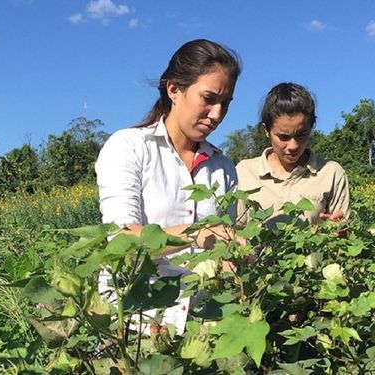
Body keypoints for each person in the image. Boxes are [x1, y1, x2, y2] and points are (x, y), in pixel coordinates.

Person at [95, 39, 241, 334]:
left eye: (225, 103)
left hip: (200, 331)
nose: (217, 114)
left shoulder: (222, 167)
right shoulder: (129, 148)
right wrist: (196, 235)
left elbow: (221, 249)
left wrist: (237, 260)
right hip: (137, 326)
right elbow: (121, 242)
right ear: (174, 89)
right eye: (208, 98)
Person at [236, 82, 349, 228]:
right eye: (283, 137)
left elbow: (344, 236)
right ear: (266, 130)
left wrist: (338, 230)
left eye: (302, 135)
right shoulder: (245, 172)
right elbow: (234, 232)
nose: (293, 146)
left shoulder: (331, 173)